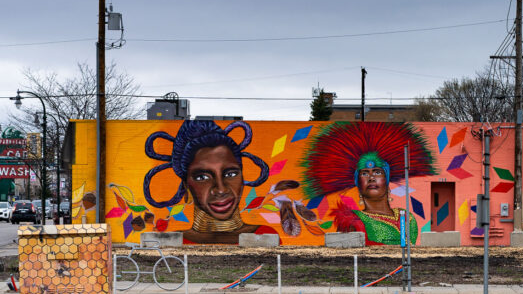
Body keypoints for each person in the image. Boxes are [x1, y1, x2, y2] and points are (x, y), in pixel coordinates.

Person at [300, 122, 436, 245]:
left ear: (387, 181)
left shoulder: (407, 217)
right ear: (358, 184)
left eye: (377, 172)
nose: (371, 178)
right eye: (364, 173)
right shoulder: (353, 220)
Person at [144, 120, 275, 244]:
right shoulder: (172, 242)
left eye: (231, 174)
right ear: (186, 185)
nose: (221, 189)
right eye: (202, 177)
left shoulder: (265, 235)